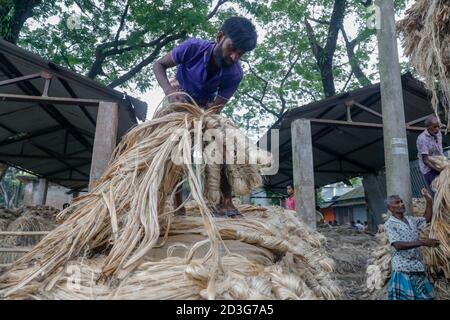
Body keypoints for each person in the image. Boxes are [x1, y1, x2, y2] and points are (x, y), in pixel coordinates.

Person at [152, 17, 257, 217]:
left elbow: (216, 107)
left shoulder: (235, 74)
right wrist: (169, 91)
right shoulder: (192, 47)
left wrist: (202, 116)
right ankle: (177, 203)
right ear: (219, 37)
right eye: (232, 48)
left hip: (204, 109)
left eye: (240, 54)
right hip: (177, 100)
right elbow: (159, 65)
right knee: (174, 147)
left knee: (225, 141)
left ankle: (224, 201)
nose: (234, 56)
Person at [384, 188, 440, 300]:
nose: (401, 204)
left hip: (417, 267)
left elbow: (427, 219)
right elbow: (398, 245)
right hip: (403, 269)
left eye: (401, 201)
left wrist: (428, 200)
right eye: (397, 202)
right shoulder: (390, 224)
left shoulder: (410, 220)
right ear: (391, 208)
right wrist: (423, 242)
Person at [416, 115, 443, 196]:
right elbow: (426, 161)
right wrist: (438, 170)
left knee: (446, 188)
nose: (437, 129)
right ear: (428, 127)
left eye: (438, 127)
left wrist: (443, 165)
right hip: (429, 169)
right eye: (434, 127)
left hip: (439, 164)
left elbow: (439, 151)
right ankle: (438, 207)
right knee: (437, 192)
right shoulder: (422, 139)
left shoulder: (438, 133)